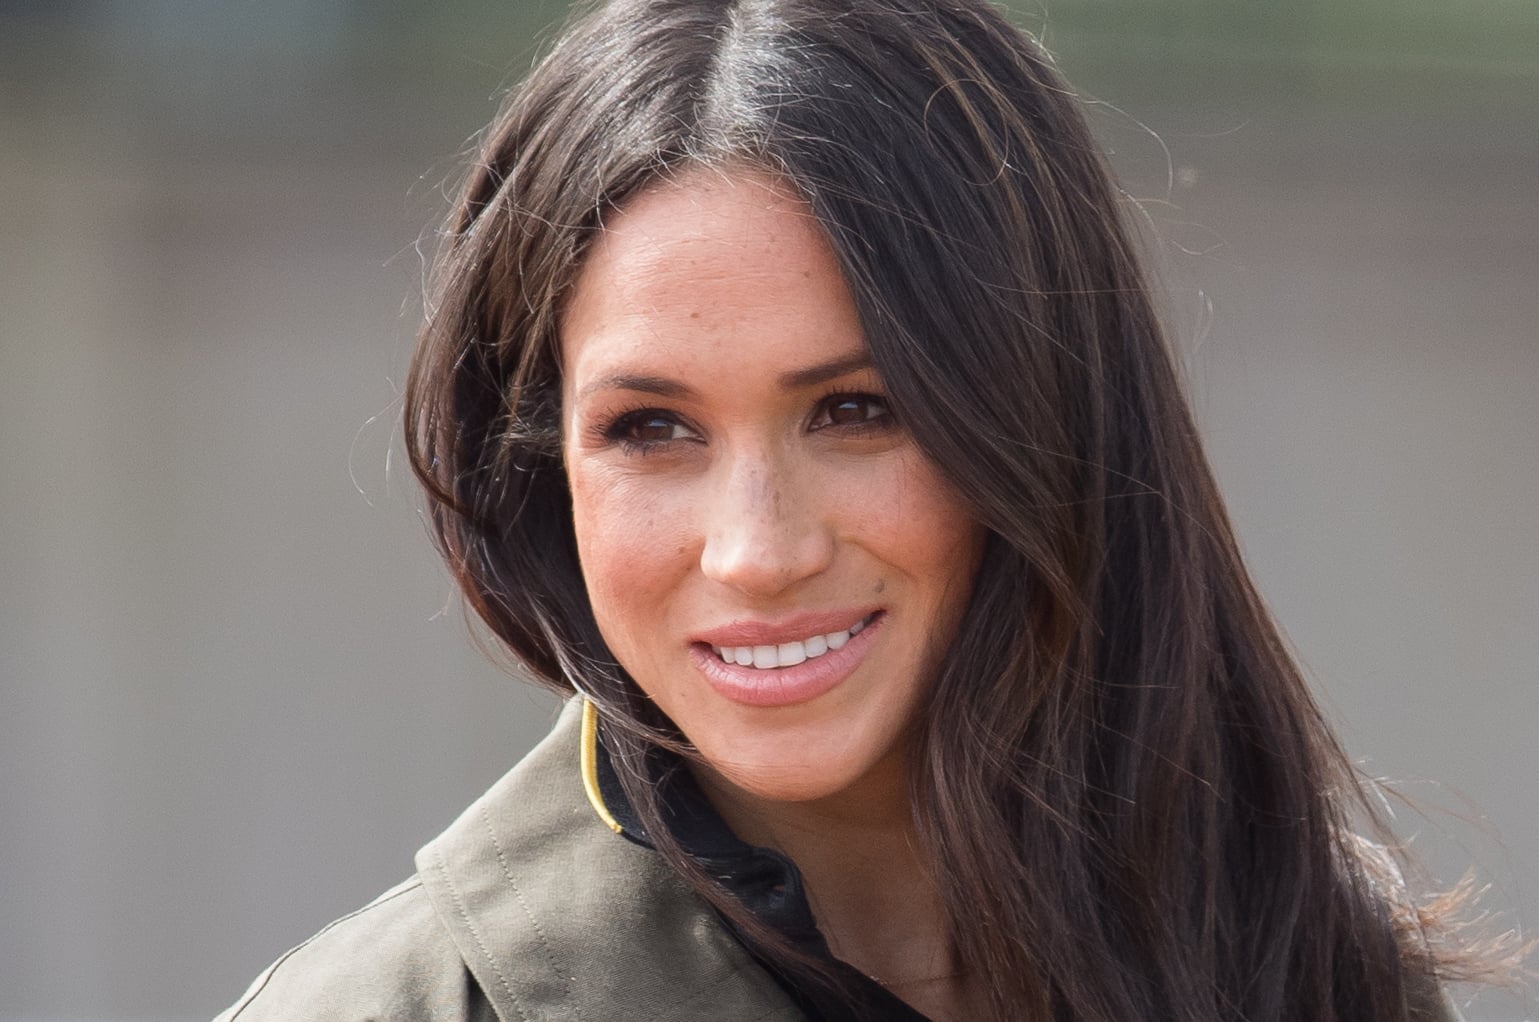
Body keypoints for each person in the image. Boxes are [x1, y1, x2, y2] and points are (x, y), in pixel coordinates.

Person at [215, 0, 1505, 1019]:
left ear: (1042, 411)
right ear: (543, 469)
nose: (758, 550)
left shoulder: (1309, 975)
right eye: (650, 430)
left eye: (857, 411)